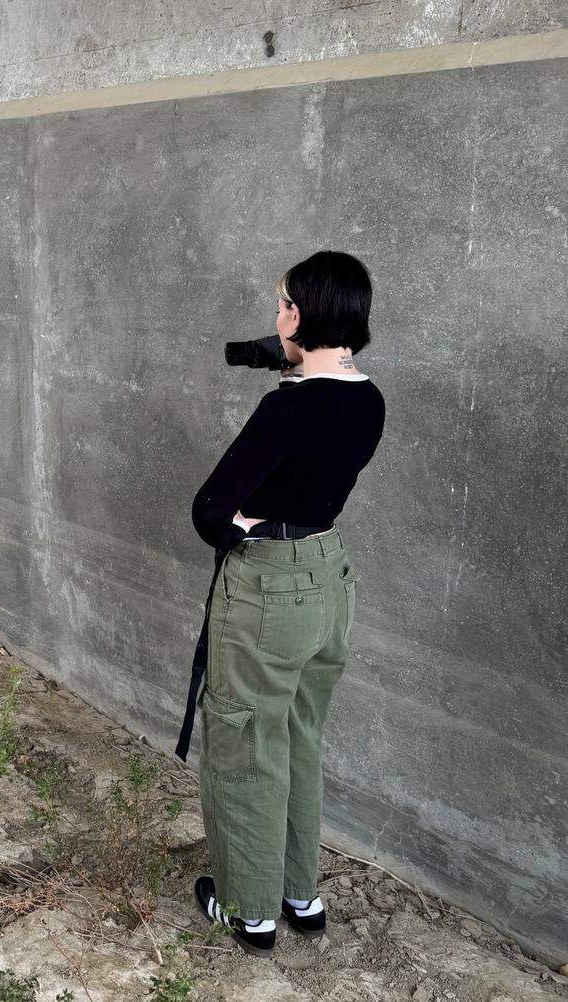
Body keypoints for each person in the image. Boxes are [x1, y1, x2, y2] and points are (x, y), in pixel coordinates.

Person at [183, 251, 385, 956]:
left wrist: (244, 524)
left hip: (270, 589)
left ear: (301, 315)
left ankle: (250, 910)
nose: (275, 320)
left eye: (282, 306)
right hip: (329, 579)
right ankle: (301, 894)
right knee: (300, 736)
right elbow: (314, 448)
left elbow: (210, 510)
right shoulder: (369, 399)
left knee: (246, 742)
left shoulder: (286, 409)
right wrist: (293, 368)